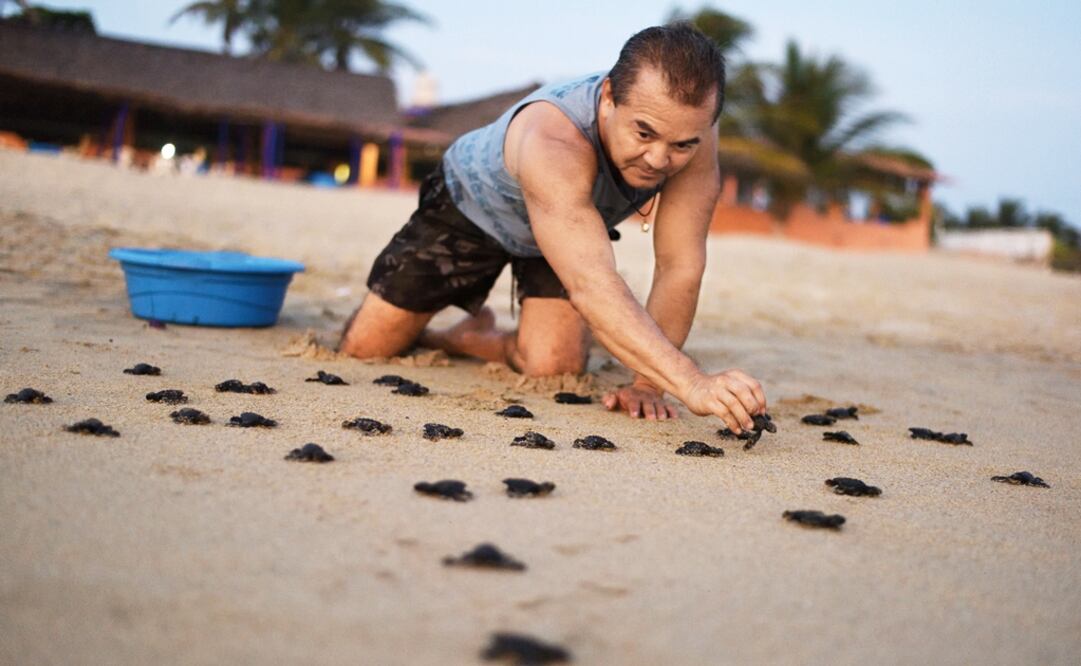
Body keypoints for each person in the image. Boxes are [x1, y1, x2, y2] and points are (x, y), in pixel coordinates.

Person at [339, 23, 766, 434]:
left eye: (681, 145)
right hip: (471, 207)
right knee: (365, 350)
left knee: (554, 367)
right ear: (609, 96)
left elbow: (680, 267)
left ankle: (464, 338)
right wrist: (690, 381)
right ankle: (418, 325)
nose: (658, 159)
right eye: (643, 133)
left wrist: (648, 384)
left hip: (567, 231)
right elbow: (592, 283)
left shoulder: (696, 135)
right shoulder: (553, 138)